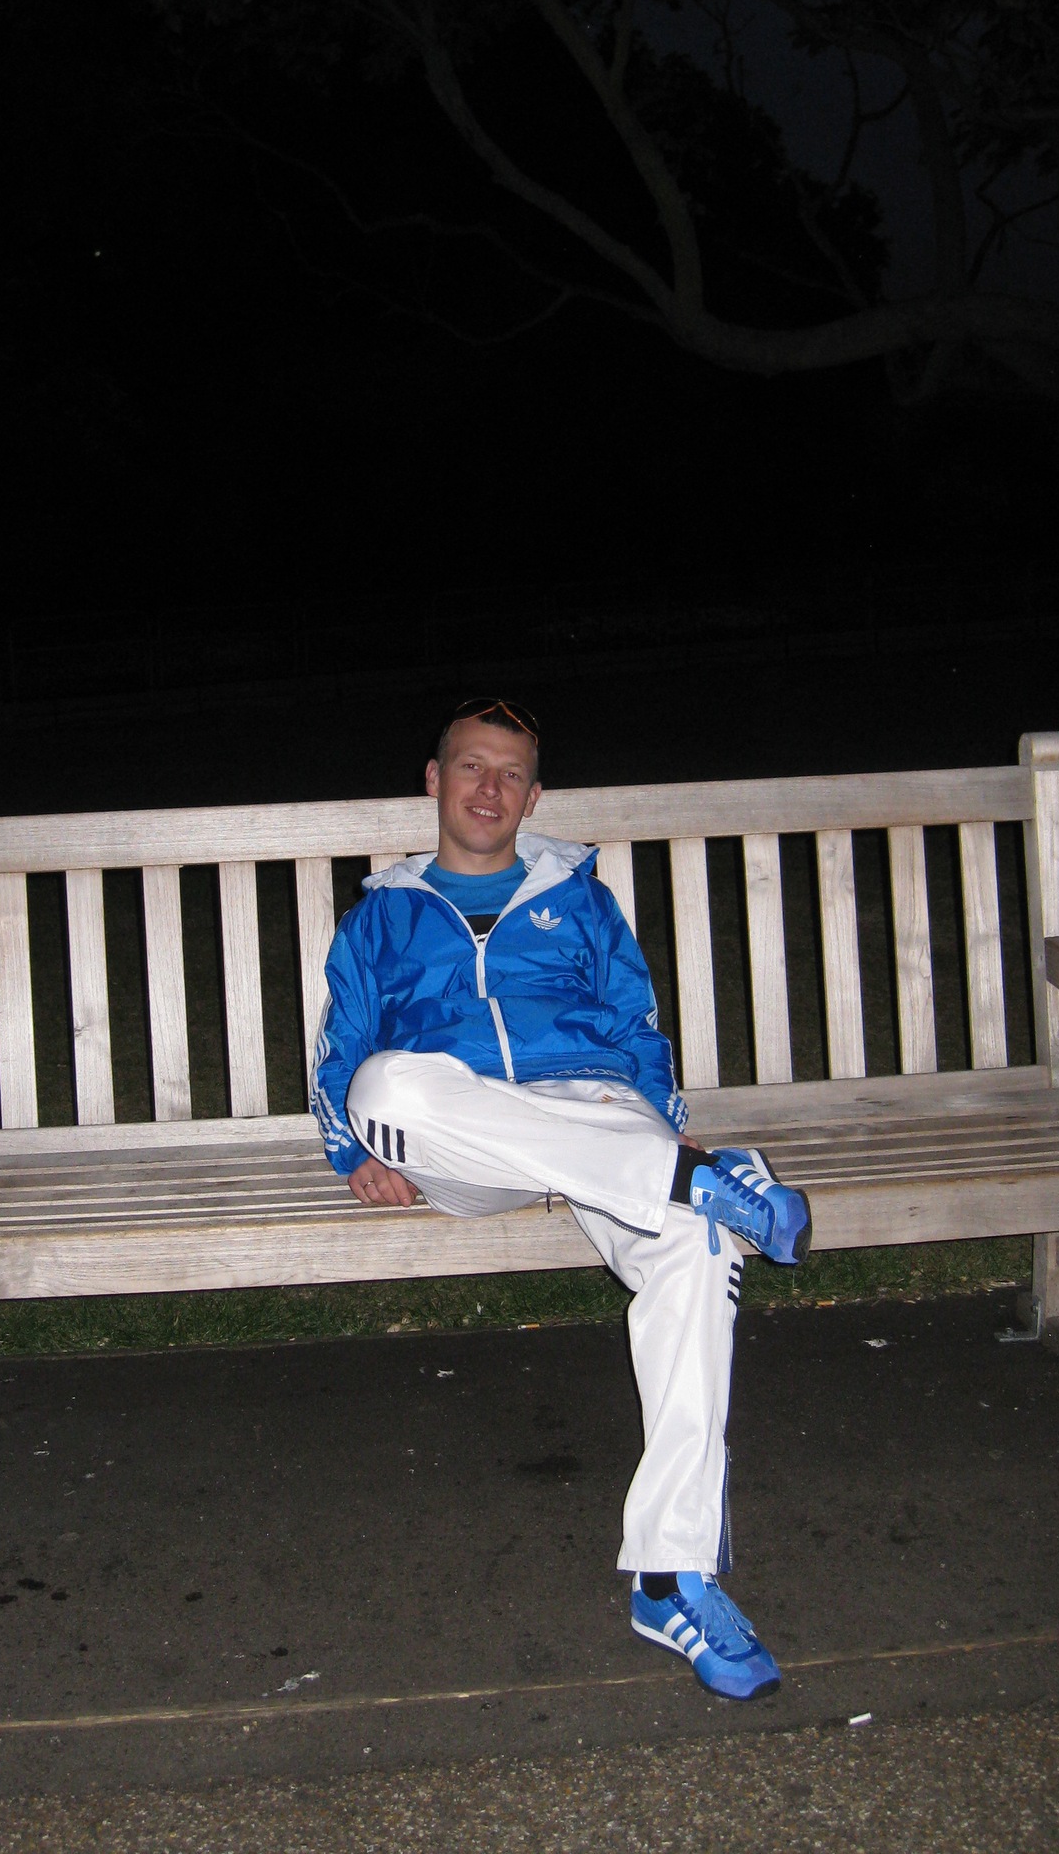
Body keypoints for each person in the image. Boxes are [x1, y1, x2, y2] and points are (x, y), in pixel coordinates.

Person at [309, 696, 812, 1701]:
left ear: (534, 797)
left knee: (699, 1250)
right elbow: (341, 1054)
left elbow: (636, 1026)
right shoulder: (380, 919)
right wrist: (348, 1149)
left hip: (596, 1112)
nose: (489, 787)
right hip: (465, 1137)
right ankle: (689, 1185)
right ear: (434, 780)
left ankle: (672, 1576)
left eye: (511, 774)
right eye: (471, 766)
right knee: (386, 1088)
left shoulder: (580, 900)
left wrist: (660, 1123)